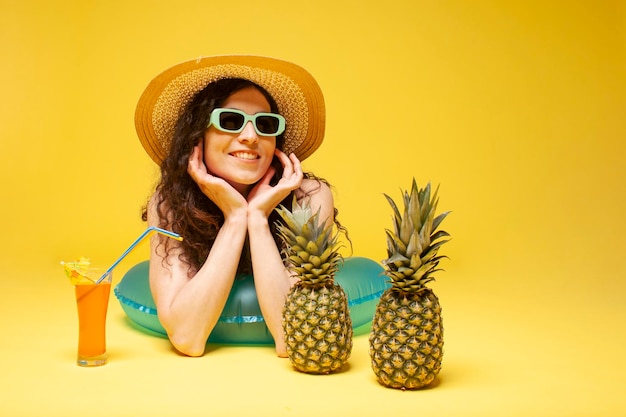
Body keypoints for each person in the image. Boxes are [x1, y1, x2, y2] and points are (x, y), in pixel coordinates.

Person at [134, 55, 342, 357]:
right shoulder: (170, 203)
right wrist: (235, 218)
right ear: (198, 136)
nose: (250, 137)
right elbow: (187, 338)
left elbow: (293, 337)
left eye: (265, 124)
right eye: (230, 121)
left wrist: (257, 218)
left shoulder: (308, 198)